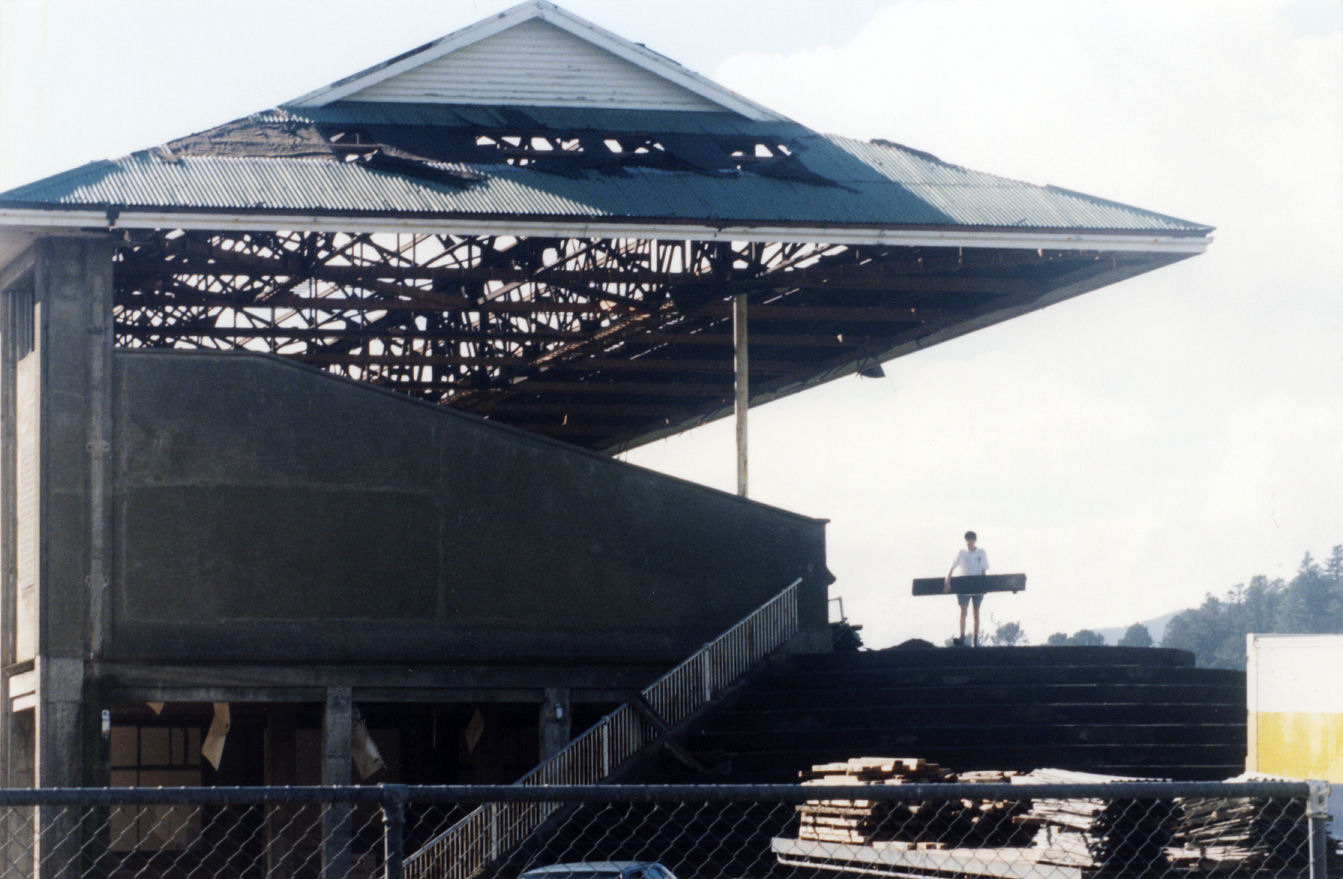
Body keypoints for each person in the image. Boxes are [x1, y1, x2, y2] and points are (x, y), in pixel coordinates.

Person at [944, 530, 989, 646]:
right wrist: (947, 582)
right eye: (967, 540)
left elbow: (984, 569)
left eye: (971, 540)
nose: (969, 542)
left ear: (975, 540)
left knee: (976, 613)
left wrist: (984, 585)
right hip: (964, 586)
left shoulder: (981, 552)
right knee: (963, 612)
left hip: (977, 586)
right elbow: (952, 567)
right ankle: (962, 636)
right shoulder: (962, 553)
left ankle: (975, 639)